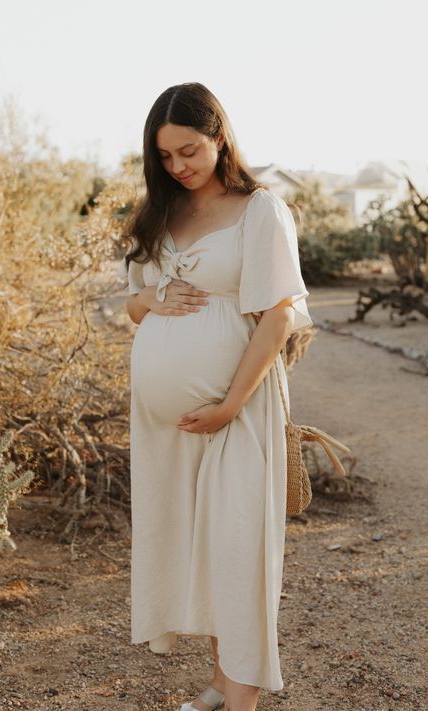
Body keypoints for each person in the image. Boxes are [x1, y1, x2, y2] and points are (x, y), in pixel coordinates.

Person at [119, 82, 313, 711]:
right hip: (166, 427)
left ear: (219, 136)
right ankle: (219, 685)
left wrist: (229, 403)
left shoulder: (260, 210)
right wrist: (152, 300)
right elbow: (132, 305)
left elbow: (279, 317)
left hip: (236, 413)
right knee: (192, 548)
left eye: (189, 151)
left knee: (236, 551)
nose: (178, 167)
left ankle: (242, 702)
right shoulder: (161, 212)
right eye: (166, 157)